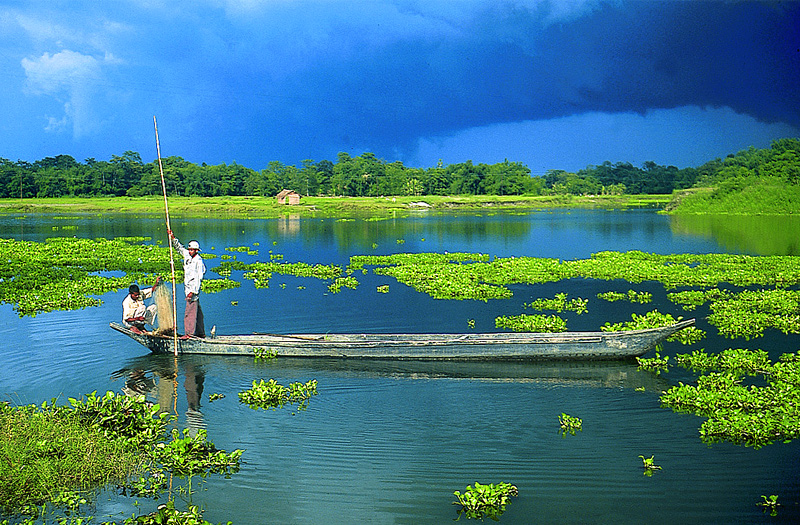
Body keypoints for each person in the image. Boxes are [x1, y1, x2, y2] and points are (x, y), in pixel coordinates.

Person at [168, 229, 206, 339]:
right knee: (197, 312)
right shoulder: (188, 256)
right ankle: (200, 332)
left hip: (193, 290)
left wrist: (192, 292)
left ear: (196, 250)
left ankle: (189, 334)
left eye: (192, 250)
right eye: (189, 249)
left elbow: (199, 278)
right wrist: (172, 237)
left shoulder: (198, 261)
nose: (190, 251)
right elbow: (179, 248)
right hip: (188, 288)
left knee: (189, 312)